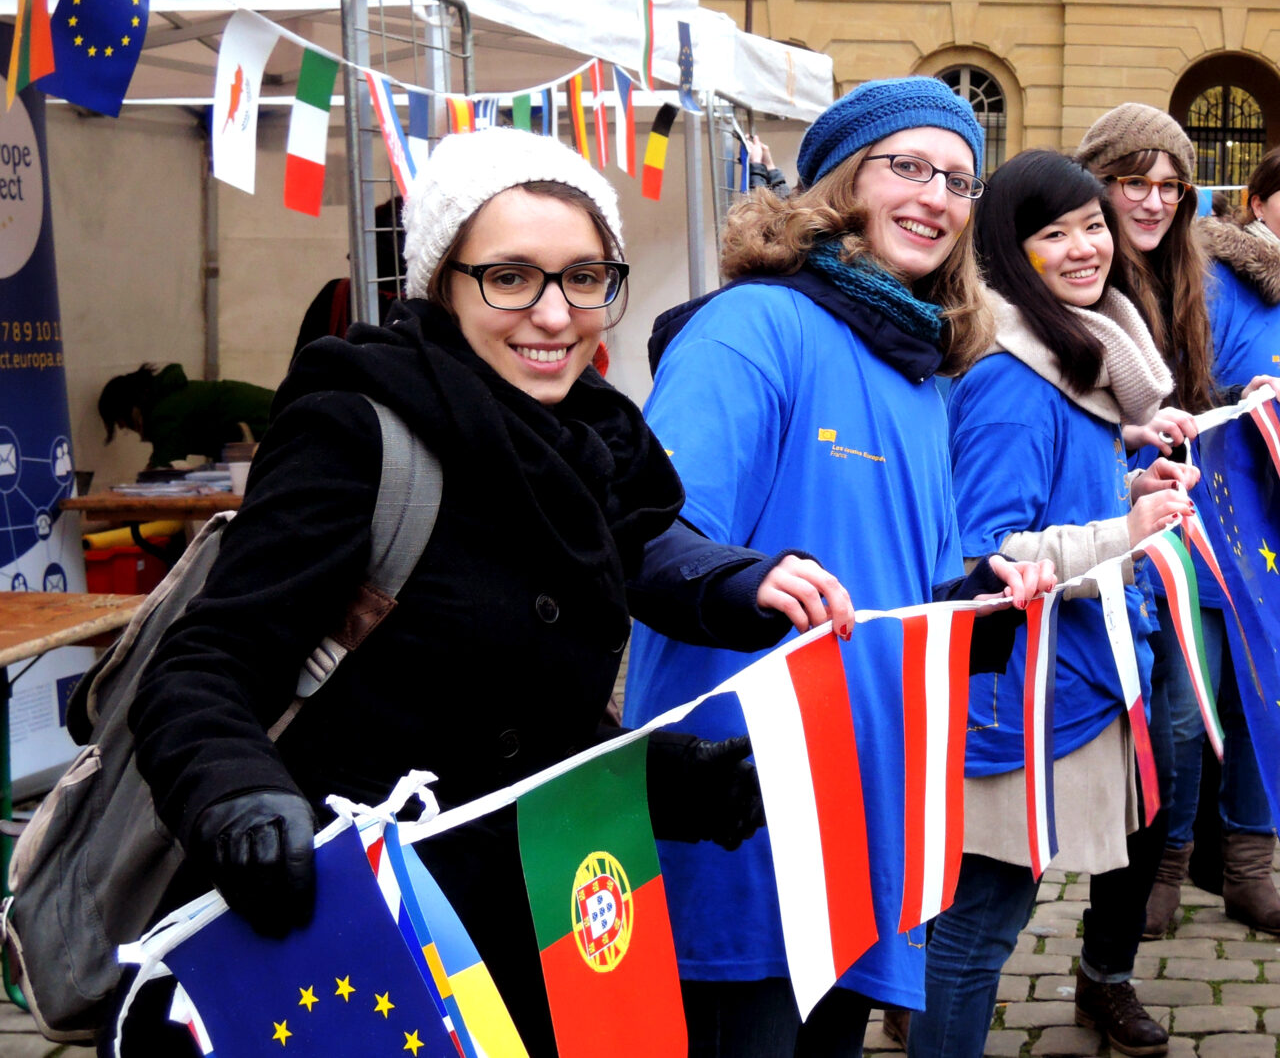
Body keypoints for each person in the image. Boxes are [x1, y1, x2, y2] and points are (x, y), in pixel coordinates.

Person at [127, 129, 813, 1058]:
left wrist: (670, 781)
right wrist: (238, 798)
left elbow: (524, 726)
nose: (554, 313)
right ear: (442, 283)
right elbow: (201, 668)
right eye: (510, 277)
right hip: (342, 950)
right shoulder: (358, 430)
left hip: (523, 949)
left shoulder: (598, 448)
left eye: (584, 277)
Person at [626, 77, 1056, 1058]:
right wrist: (747, 580)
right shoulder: (752, 326)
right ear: (839, 181)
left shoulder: (922, 374)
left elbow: (911, 604)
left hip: (863, 822)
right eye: (908, 166)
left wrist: (984, 602)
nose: (936, 196)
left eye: (959, 179)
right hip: (744, 815)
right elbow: (646, 539)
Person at [909, 151, 1194, 1058]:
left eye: (1093, 226)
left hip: (1061, 682)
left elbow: (1052, 499)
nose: (1085, 248)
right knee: (974, 932)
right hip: (1018, 696)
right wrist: (1123, 530)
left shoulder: (1070, 352)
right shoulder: (1012, 374)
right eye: (1054, 233)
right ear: (1009, 250)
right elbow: (983, 554)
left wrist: (1126, 488)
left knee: (985, 920)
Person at [1173, 144, 1280, 935]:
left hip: (1279, 532)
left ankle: (1247, 871)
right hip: (1210, 527)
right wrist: (1239, 398)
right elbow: (1181, 384)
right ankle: (1161, 872)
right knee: (1184, 715)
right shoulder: (1216, 276)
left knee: (1261, 709)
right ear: (1257, 202)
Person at [1075, 105, 1216, 948]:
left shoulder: (1185, 280)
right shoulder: (1083, 279)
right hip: (1087, 547)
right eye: (1134, 181)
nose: (1155, 201)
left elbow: (1186, 401)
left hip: (1165, 532)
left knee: (1174, 737)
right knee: (1117, 754)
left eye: (1171, 186)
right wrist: (1127, 437)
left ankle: (1115, 951)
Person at [97, 364, 275, 470]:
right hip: (270, 414)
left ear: (131, 408)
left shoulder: (165, 411)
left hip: (266, 422)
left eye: (123, 423)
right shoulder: (170, 399)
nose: (125, 428)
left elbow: (163, 466)